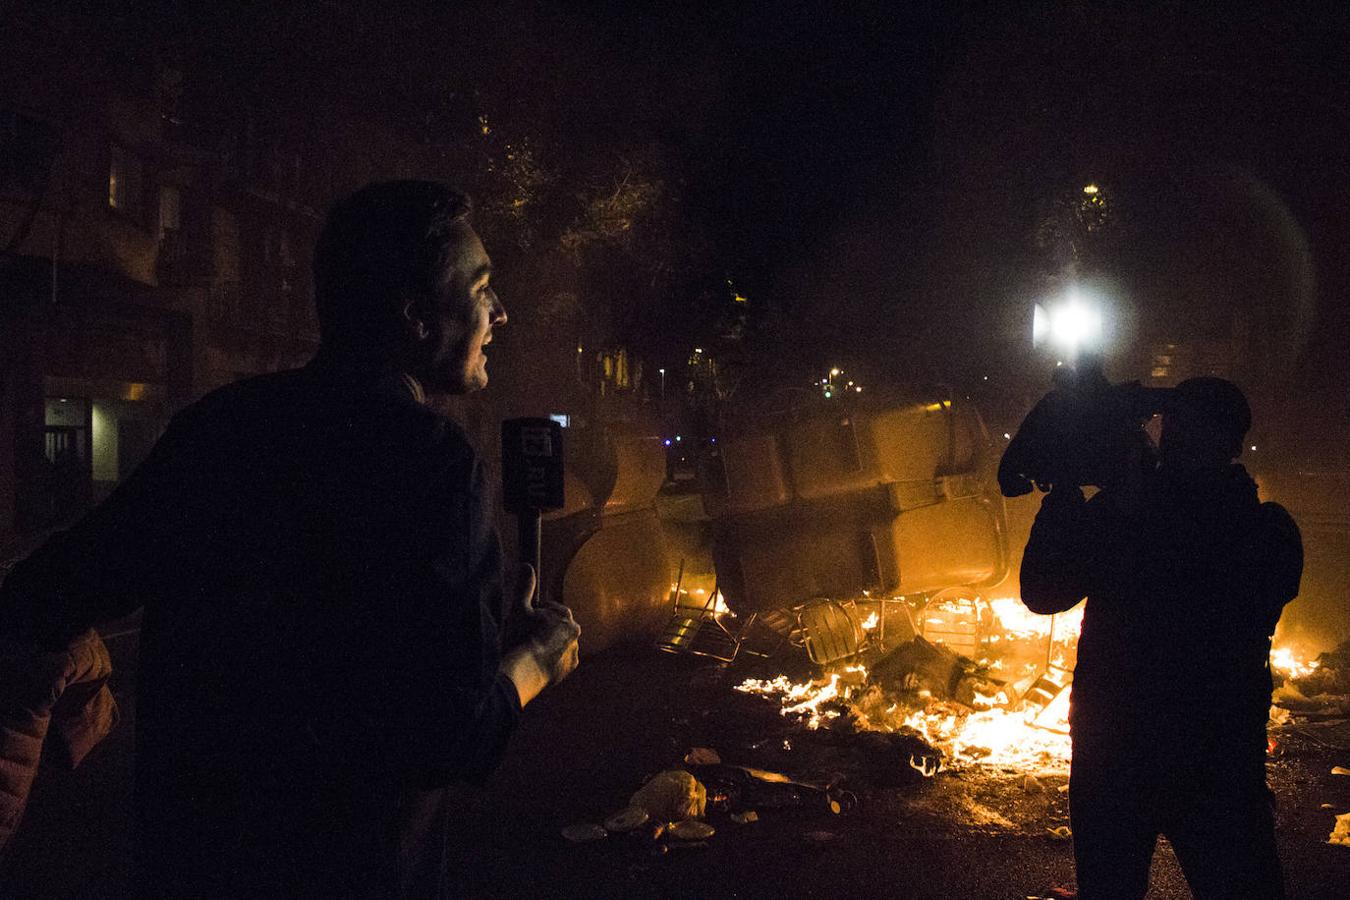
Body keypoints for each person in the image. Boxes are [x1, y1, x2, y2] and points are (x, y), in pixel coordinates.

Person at [0, 180, 581, 898]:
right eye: (482, 288)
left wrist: (81, 668)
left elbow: (41, 593)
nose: (501, 311)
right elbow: (447, 733)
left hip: (187, 867)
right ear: (416, 319)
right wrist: (535, 663)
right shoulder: (432, 467)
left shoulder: (218, 431)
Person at [1021, 376, 1302, 900]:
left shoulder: (1261, 530)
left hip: (1195, 759)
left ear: (1225, 442)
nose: (1168, 439)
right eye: (1168, 425)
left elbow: (1225, 587)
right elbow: (1041, 591)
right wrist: (1065, 497)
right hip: (1156, 758)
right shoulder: (1131, 514)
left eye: (1184, 427)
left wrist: (1119, 511)